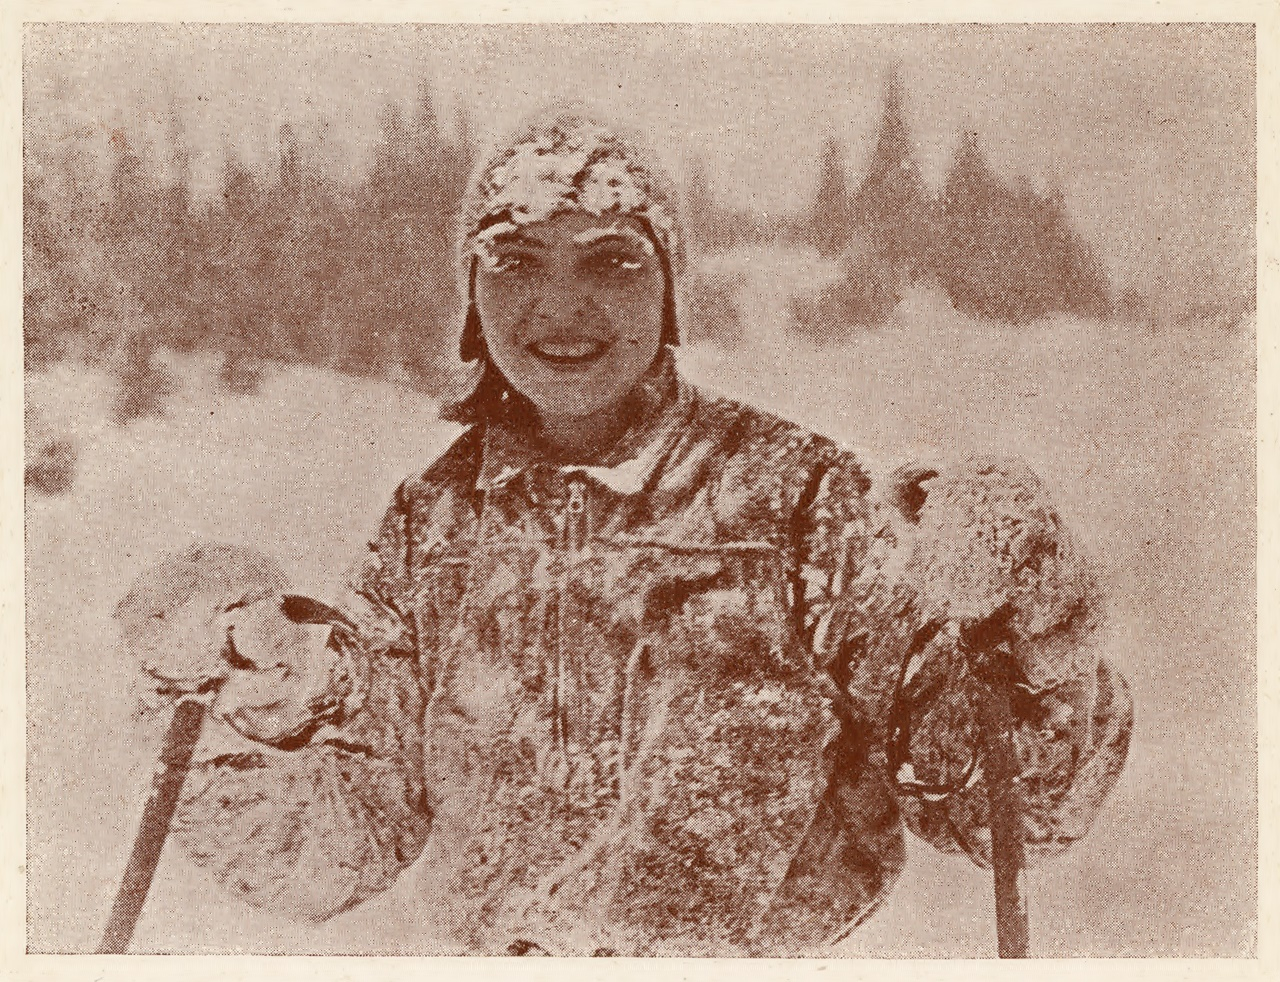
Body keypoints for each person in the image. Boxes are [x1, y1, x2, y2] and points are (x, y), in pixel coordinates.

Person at [160, 104, 1133, 956]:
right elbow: (337, 840)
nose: (560, 305)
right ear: (472, 298)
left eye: (611, 260)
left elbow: (1004, 807)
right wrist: (234, 698)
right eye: (515, 260)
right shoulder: (433, 522)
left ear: (668, 290)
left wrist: (1031, 634)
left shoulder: (797, 497)